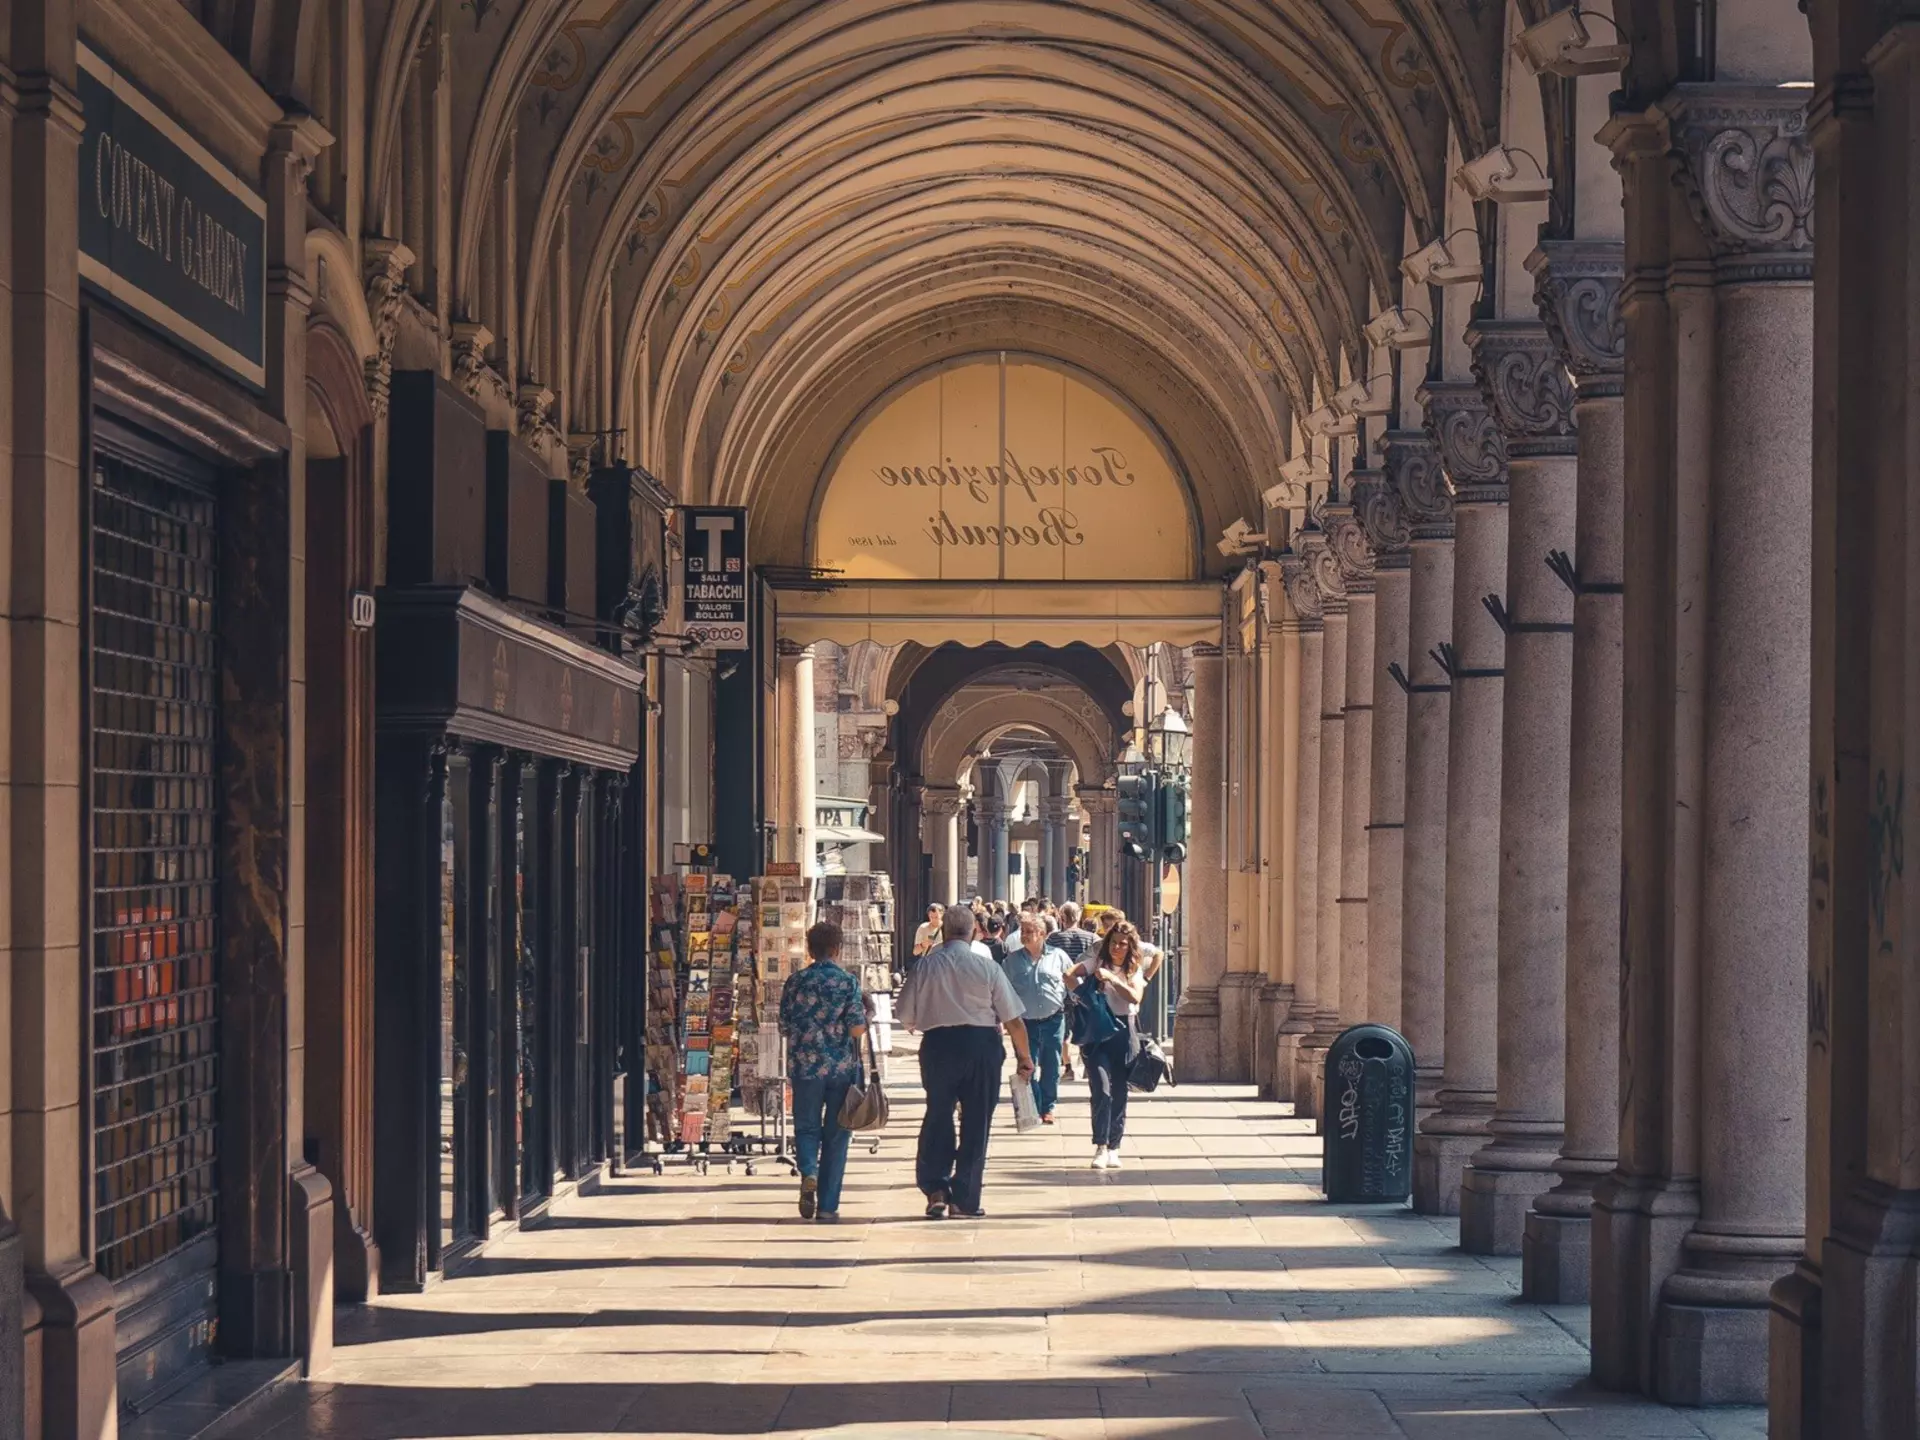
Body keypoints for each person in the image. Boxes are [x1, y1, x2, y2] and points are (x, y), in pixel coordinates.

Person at [896, 905, 1033, 1218]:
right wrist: (1024, 1058)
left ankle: (936, 1188)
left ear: (944, 932)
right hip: (981, 1046)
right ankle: (965, 1199)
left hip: (939, 1046)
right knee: (976, 1122)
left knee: (938, 1114)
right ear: (974, 932)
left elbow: (905, 1015)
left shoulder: (925, 967)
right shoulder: (987, 968)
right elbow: (1013, 1019)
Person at [779, 921, 869, 1221]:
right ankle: (828, 1204)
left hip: (805, 1066)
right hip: (841, 1069)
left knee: (806, 1127)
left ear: (809, 948)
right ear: (837, 949)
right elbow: (856, 1029)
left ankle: (809, 1171)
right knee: (837, 1133)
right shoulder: (847, 982)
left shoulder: (795, 982)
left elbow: (784, 1024)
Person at [1067, 920, 1148, 1169]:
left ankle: (1115, 1146)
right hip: (1098, 1032)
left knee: (1120, 1091)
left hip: (1125, 1031)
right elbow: (1070, 975)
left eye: (1122, 944)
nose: (1116, 948)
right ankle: (1100, 1145)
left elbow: (1134, 996)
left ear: (1130, 946)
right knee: (1101, 1089)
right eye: (1113, 943)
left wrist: (1113, 979)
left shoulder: (1134, 969)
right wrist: (1083, 999)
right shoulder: (1096, 963)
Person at [1003, 913, 1070, 1123]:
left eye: (1029, 931)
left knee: (1051, 1066)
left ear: (1042, 934)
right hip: (1024, 1024)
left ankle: (1047, 1107)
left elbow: (1072, 981)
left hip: (1053, 1020)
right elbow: (1003, 990)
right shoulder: (1012, 961)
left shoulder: (1058, 956)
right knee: (1027, 1065)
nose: (1024, 935)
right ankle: (1032, 1107)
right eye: (1022, 931)